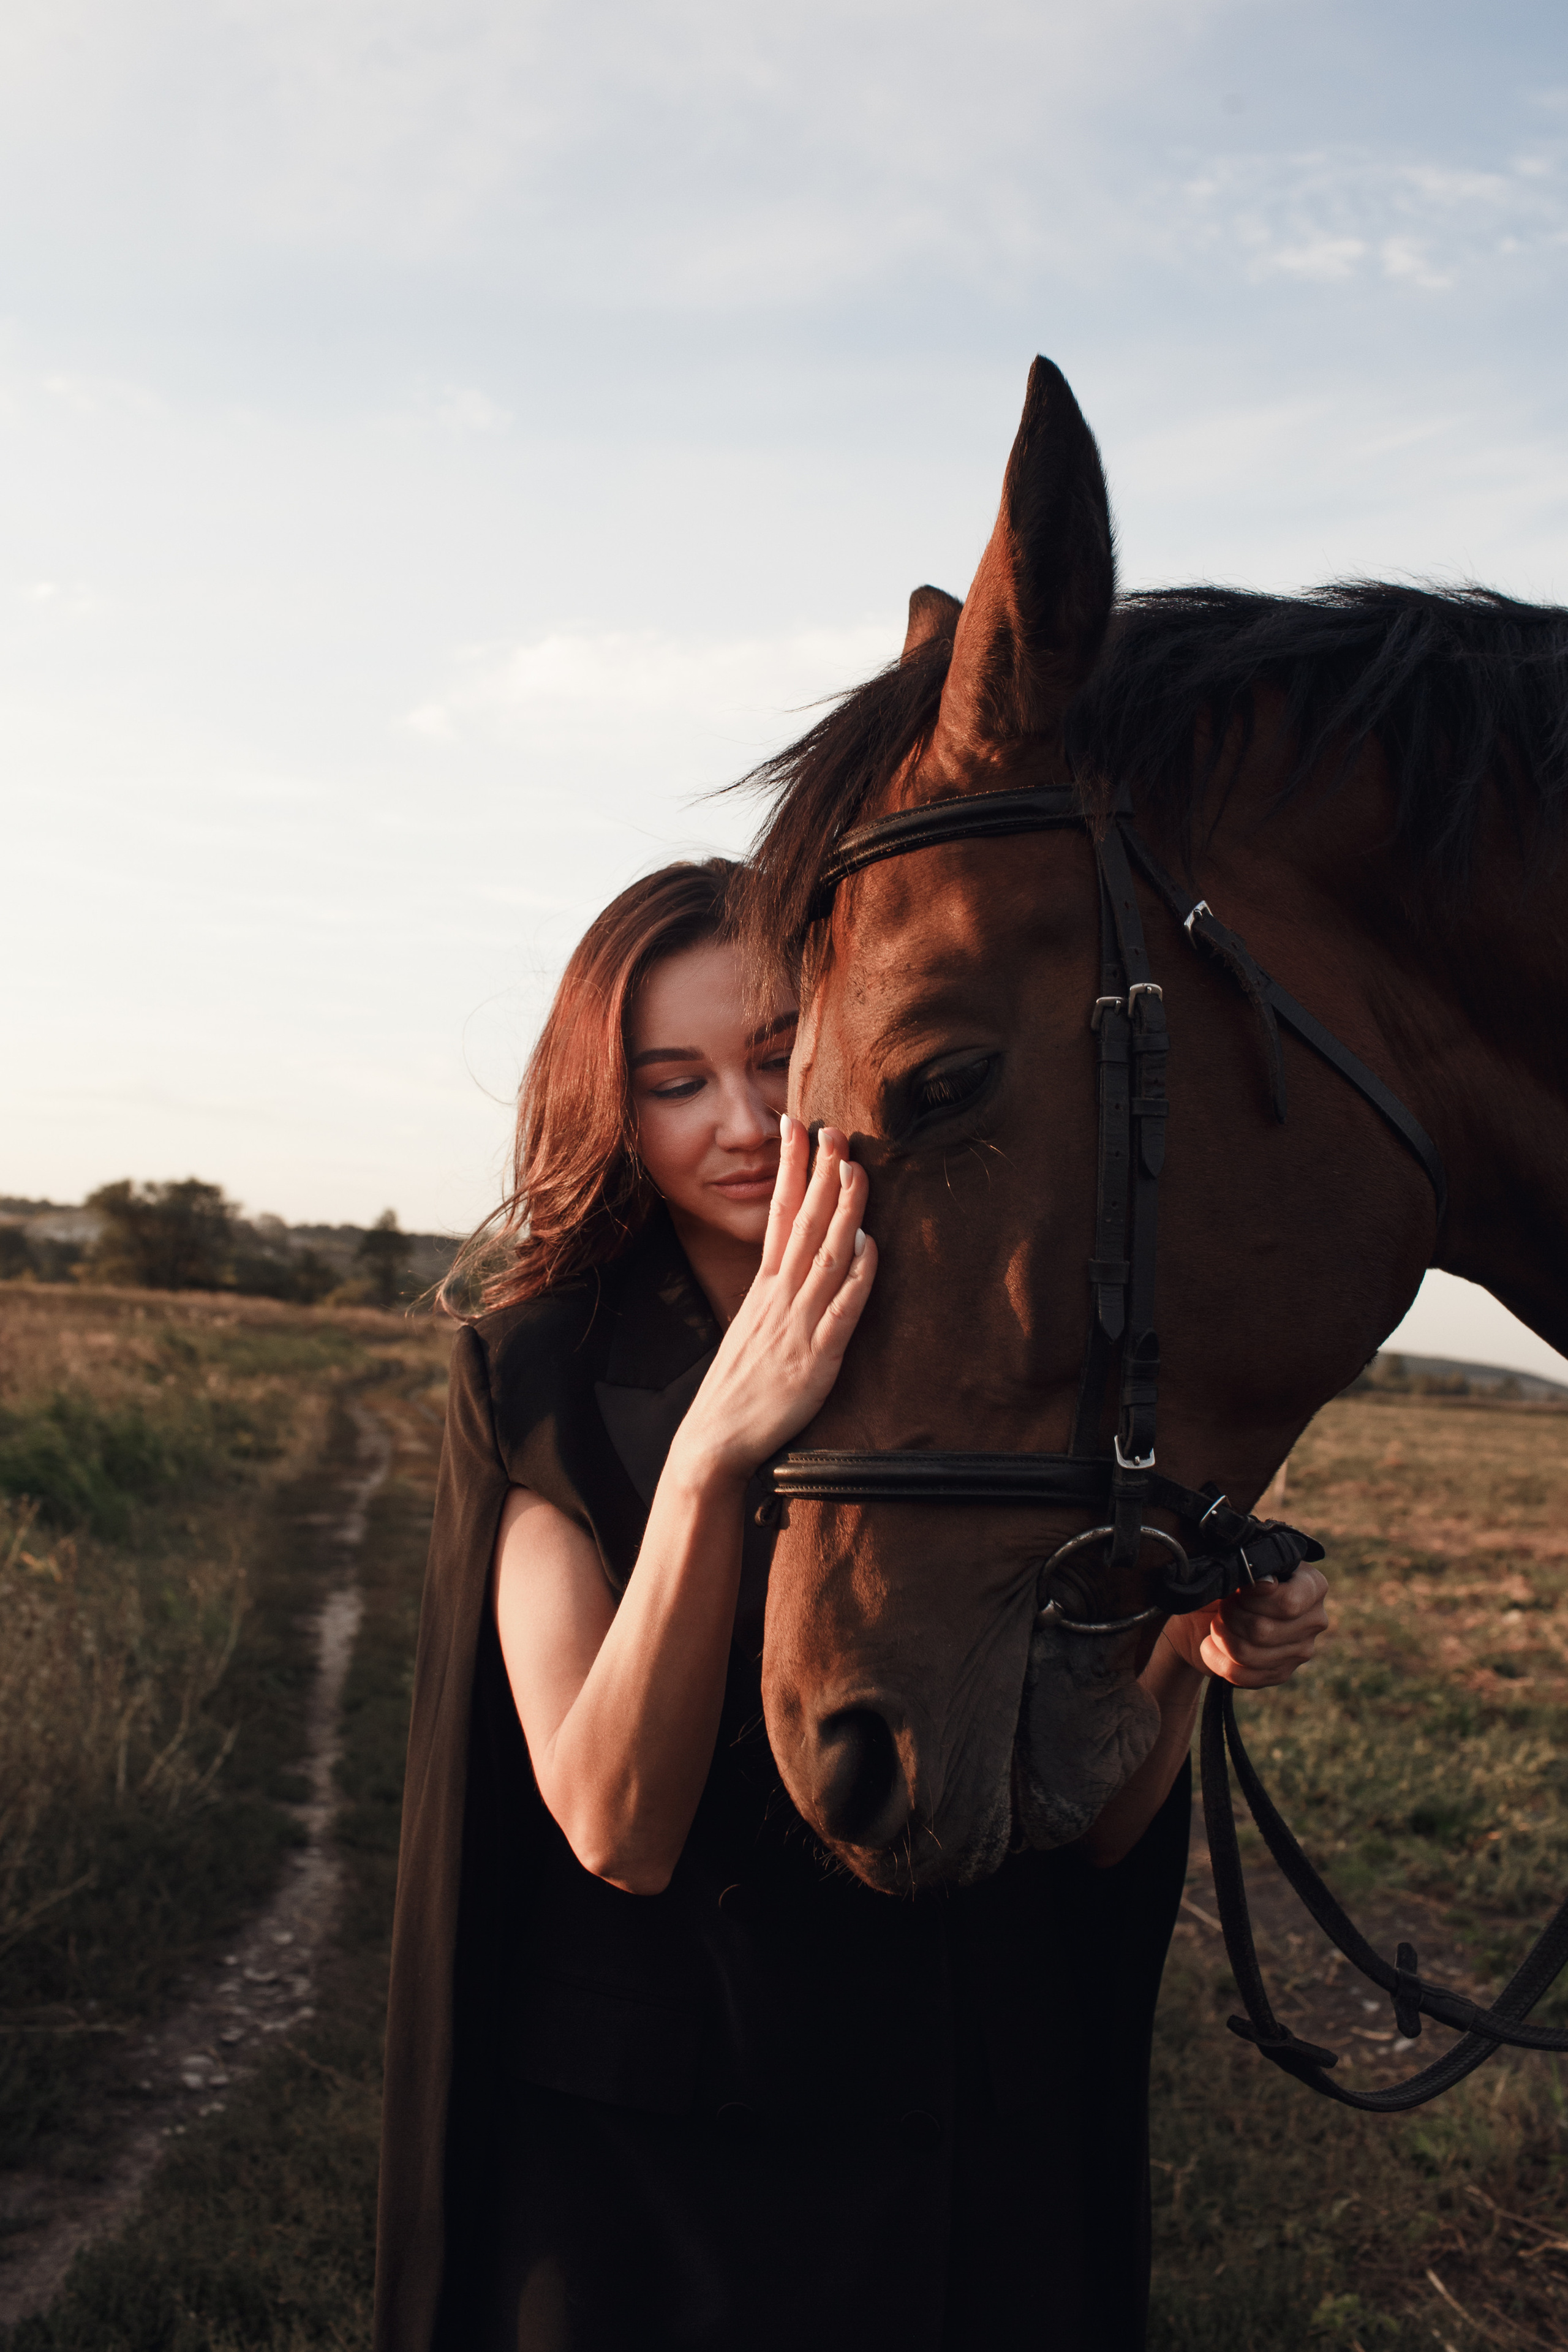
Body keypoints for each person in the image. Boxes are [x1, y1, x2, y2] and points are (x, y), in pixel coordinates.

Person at [374, 856, 1330, 2352]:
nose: (743, 1123)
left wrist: (1191, 1648)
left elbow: (1088, 1818)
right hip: (665, 2164)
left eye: (771, 1059)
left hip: (968, 2128)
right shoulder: (543, 1374)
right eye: (674, 1081)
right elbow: (613, 1827)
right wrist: (711, 1454)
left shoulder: (1013, 1346)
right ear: (610, 1108)